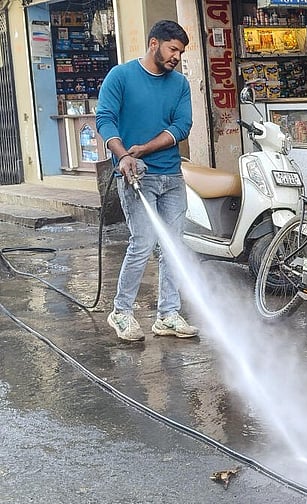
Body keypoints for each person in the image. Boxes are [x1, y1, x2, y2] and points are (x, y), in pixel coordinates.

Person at [96, 20, 197, 341]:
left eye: (180, 52)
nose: (176, 57)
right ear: (154, 44)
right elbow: (105, 118)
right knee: (142, 243)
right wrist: (124, 155)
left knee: (173, 247)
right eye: (172, 49)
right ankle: (121, 312)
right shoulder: (121, 76)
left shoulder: (179, 84)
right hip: (136, 176)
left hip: (170, 175)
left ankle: (167, 314)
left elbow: (182, 126)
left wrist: (145, 148)